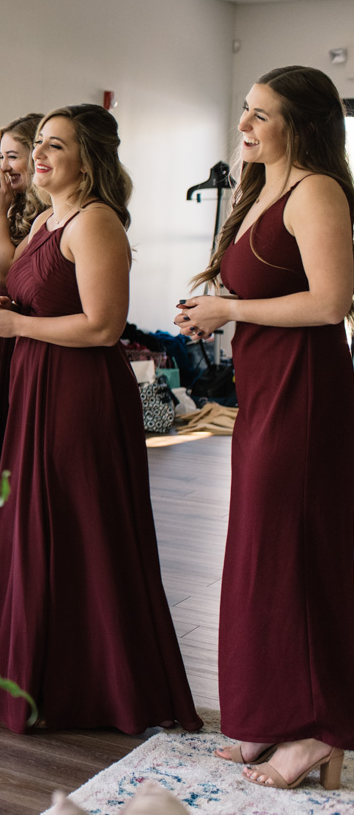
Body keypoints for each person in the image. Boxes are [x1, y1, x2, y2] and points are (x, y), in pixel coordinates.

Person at [0, 105, 199, 734]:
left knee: (82, 527)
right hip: (36, 385)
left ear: (89, 158)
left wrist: (18, 324)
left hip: (79, 394)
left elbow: (104, 325)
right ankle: (47, 678)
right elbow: (31, 287)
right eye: (38, 144)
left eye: (55, 145)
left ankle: (101, 686)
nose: (40, 155)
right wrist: (7, 302)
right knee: (38, 528)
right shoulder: (46, 218)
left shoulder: (95, 221)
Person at [176, 65, 354, 790]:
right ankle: (275, 714)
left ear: (300, 125)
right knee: (259, 554)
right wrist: (214, 304)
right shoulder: (261, 190)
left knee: (295, 554)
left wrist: (232, 312)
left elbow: (331, 302)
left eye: (260, 115)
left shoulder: (316, 192)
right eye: (245, 111)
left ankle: (321, 729)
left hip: (305, 394)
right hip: (267, 388)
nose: (244, 125)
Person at [0, 112, 43, 491]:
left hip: (25, 330)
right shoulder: (9, 203)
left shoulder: (39, 213)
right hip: (0, 331)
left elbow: (5, 278)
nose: (1, 167)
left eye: (11, 156)